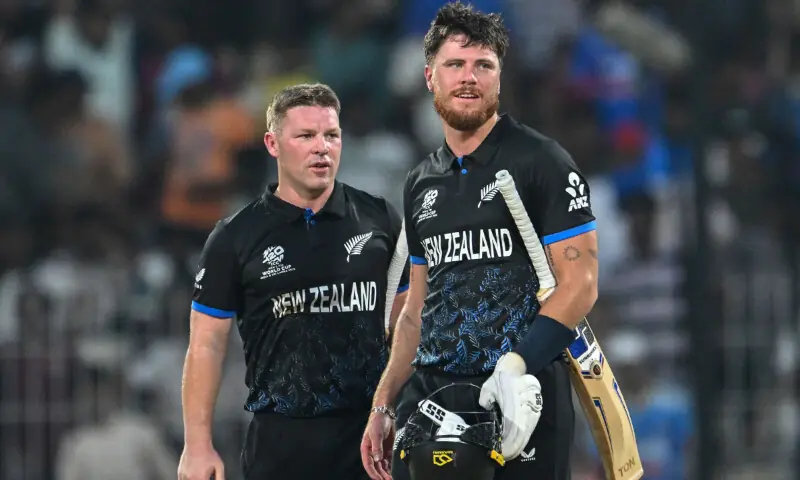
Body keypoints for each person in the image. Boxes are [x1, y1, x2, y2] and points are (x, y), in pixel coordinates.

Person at [362, 3, 599, 480]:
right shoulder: (420, 181)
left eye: (483, 65)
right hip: (435, 400)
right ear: (430, 77)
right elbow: (416, 309)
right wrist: (383, 402)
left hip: (523, 394)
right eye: (455, 64)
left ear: (499, 77)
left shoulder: (542, 162)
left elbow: (582, 284)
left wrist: (517, 364)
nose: (469, 77)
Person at [177, 83, 409, 480]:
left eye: (331, 135)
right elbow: (206, 343)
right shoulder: (235, 236)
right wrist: (197, 445)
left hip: (370, 439)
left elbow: (406, 324)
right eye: (306, 136)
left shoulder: (380, 218)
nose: (322, 148)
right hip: (280, 443)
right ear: (273, 144)